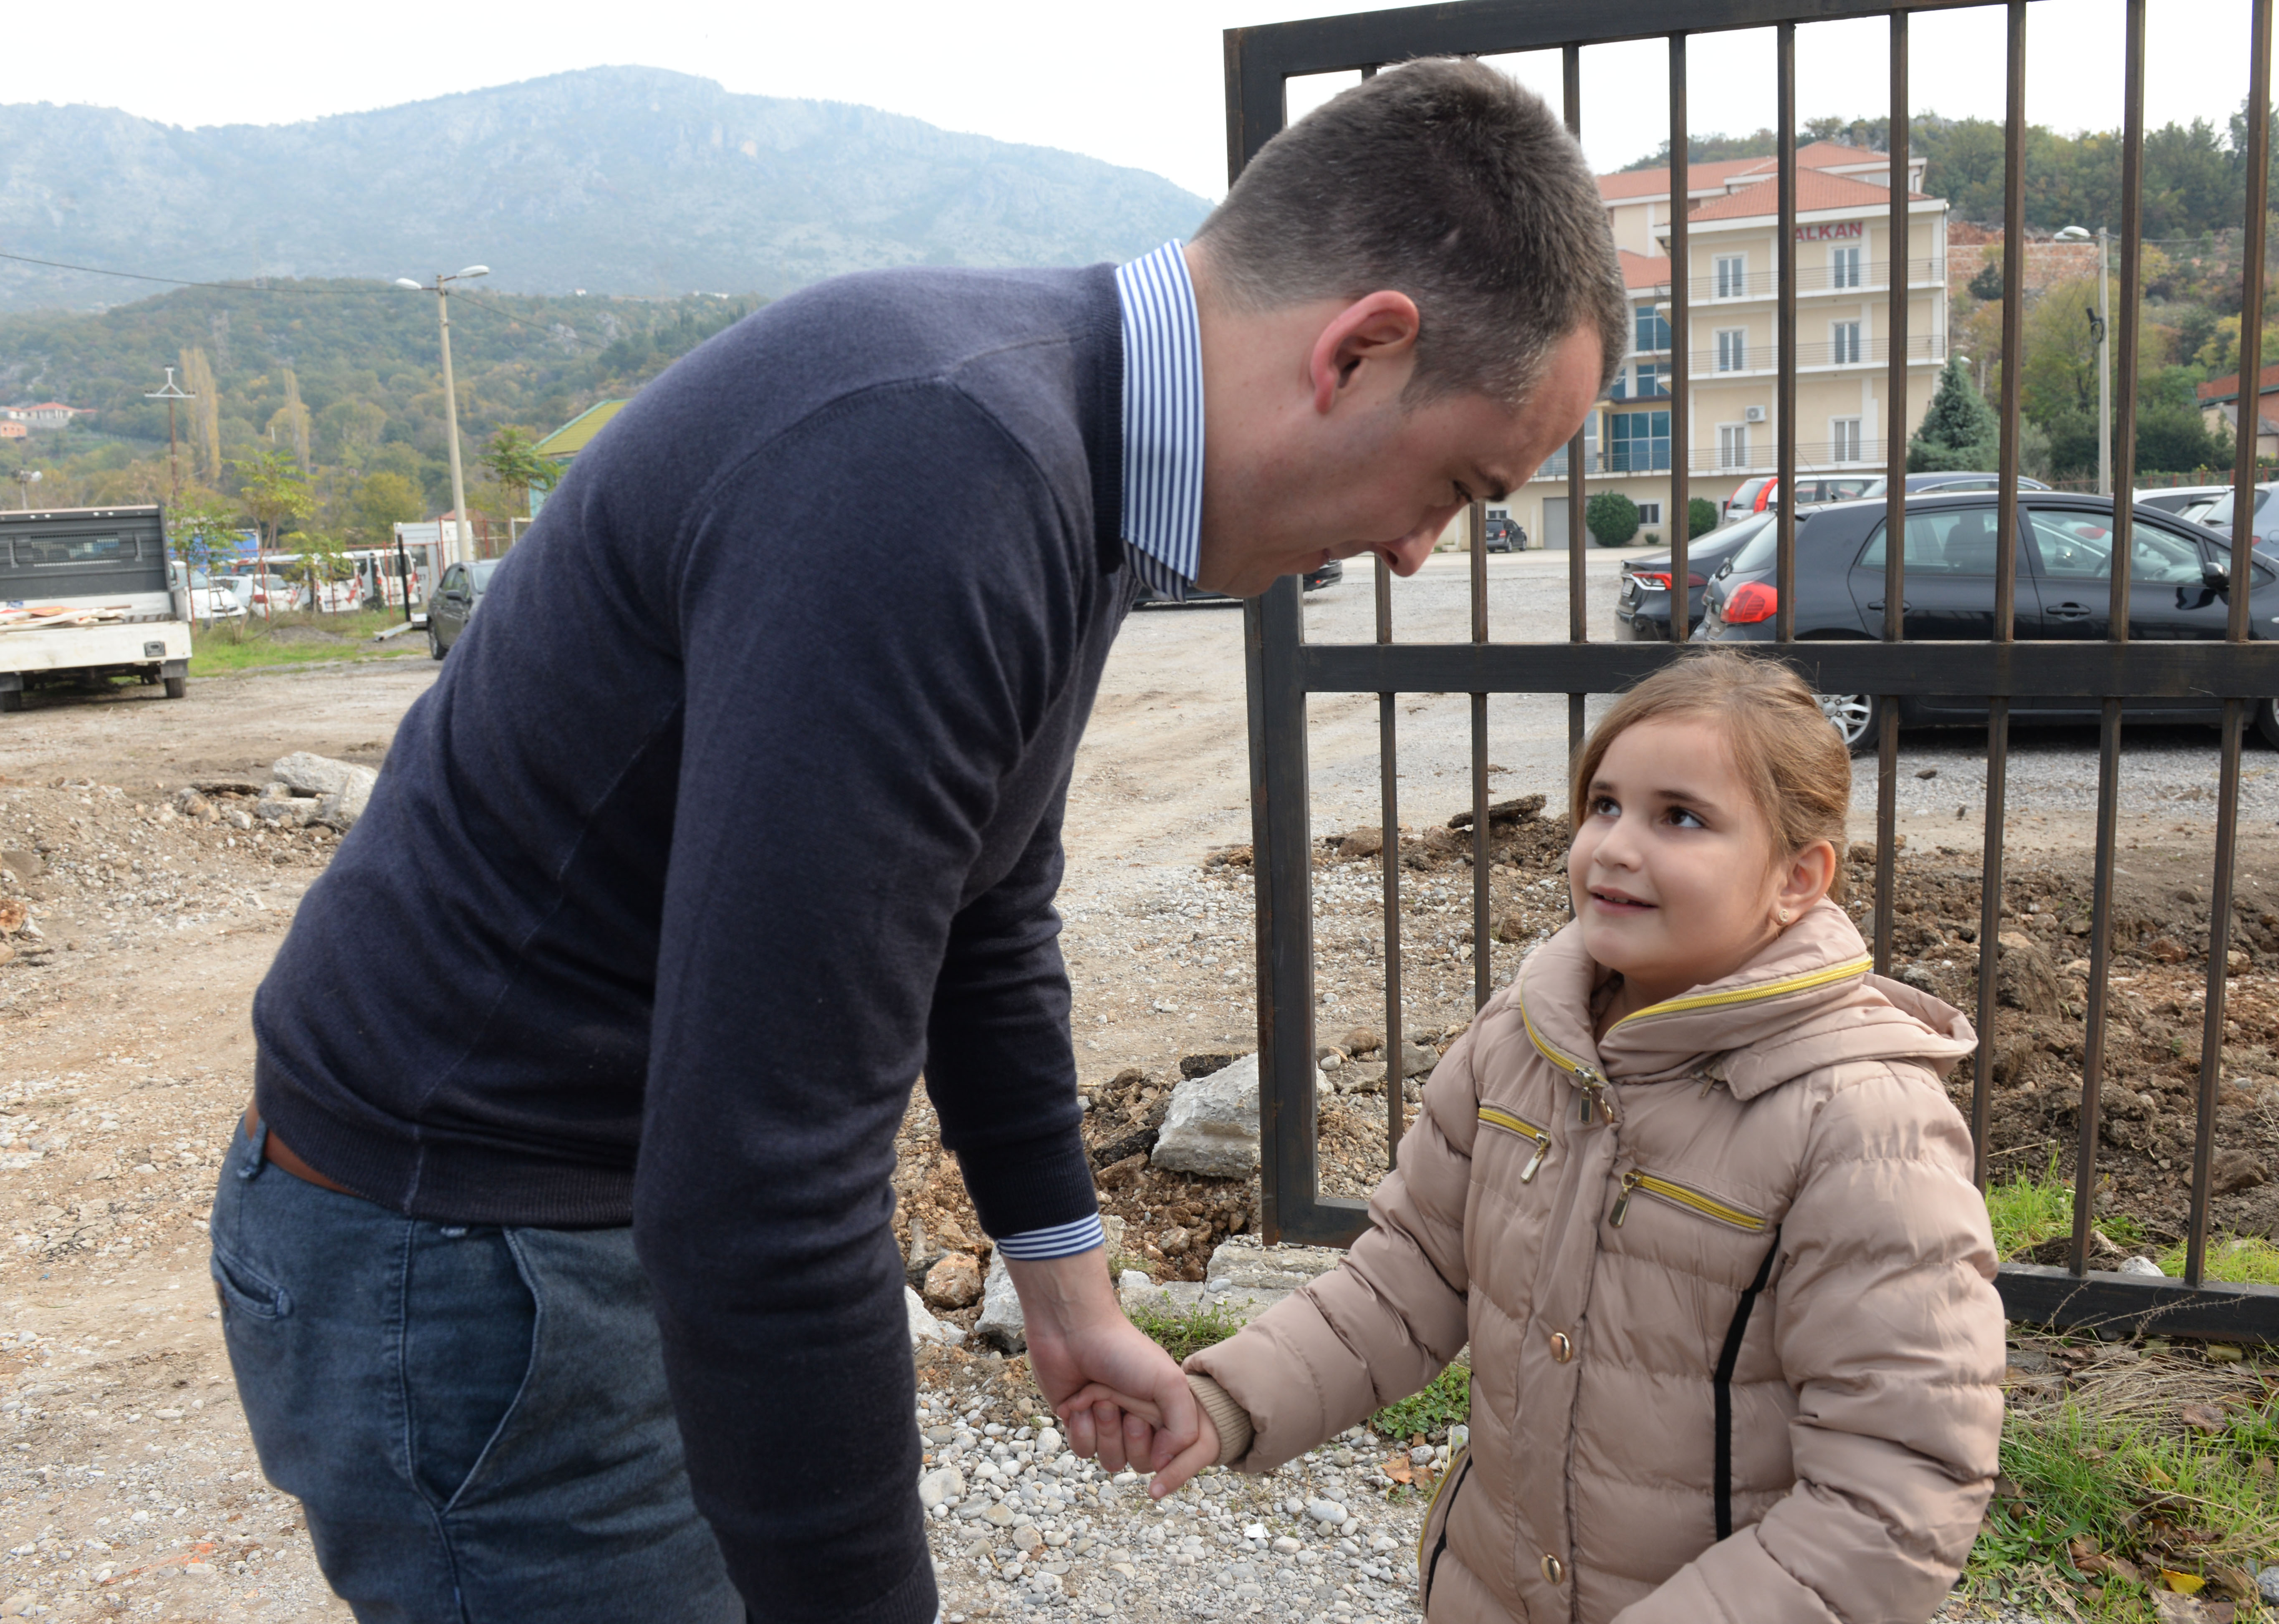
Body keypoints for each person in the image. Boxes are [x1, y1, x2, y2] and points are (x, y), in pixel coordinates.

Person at [207, 58, 1625, 1624]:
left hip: (586, 1223)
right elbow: (762, 1175)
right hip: (477, 1253)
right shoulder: (937, 469)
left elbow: (990, 906)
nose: (1421, 553)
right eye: (1457, 487)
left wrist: (1065, 1287)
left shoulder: (1068, 456)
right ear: (1361, 352)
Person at [1086, 651, 2008, 1624]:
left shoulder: (1862, 1125)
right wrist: (1229, 1400)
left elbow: (1896, 1486)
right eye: (1603, 804)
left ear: (1796, 877)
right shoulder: (1522, 1040)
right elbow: (1405, 1281)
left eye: (1679, 817)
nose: (1613, 845)